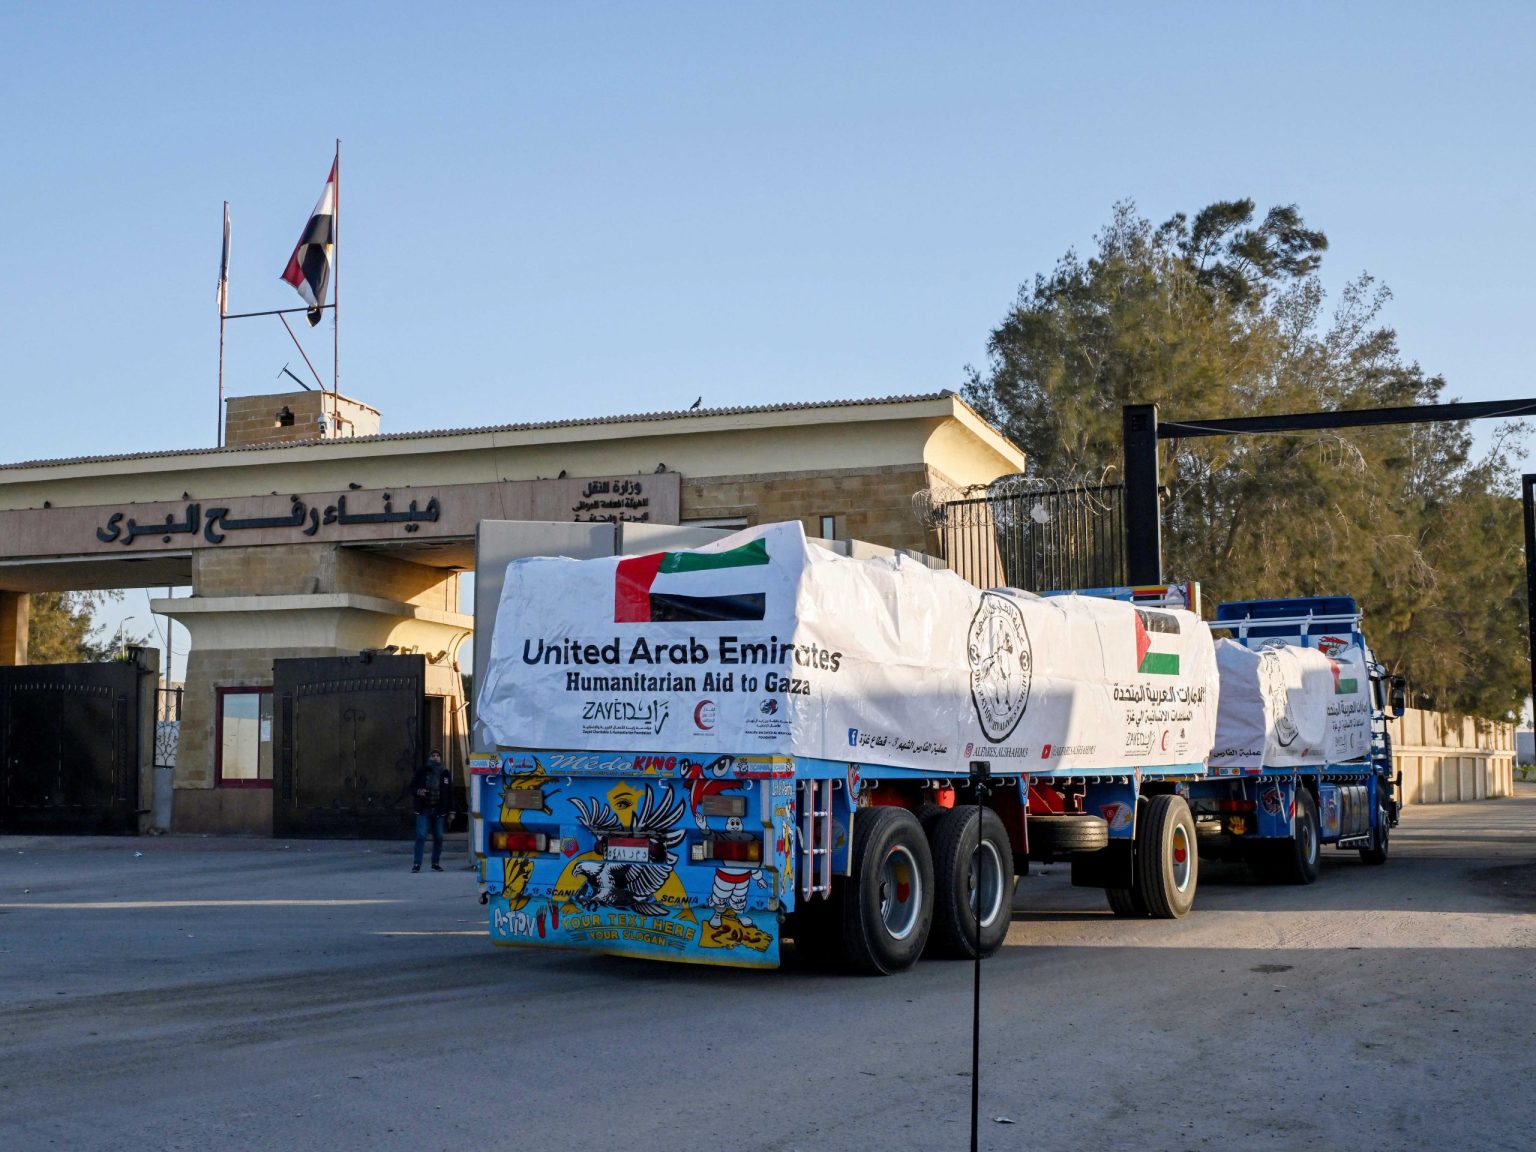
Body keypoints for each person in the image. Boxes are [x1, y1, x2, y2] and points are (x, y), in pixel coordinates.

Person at [410, 750, 455, 872]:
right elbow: (411, 787)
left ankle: (435, 862)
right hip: (424, 809)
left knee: (439, 836)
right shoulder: (422, 771)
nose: (435, 758)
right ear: (429, 758)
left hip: (439, 810)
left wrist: (452, 811)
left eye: (438, 756)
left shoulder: (445, 773)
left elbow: (449, 793)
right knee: (421, 835)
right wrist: (419, 791)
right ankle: (417, 864)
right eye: (433, 756)